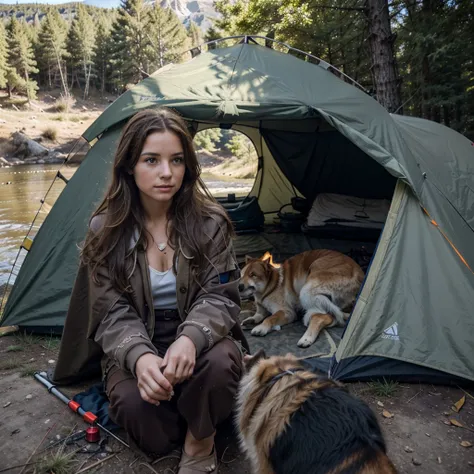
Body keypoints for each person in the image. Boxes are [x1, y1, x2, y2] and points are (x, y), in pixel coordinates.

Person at [60, 108, 249, 474]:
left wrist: (191, 339)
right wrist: (139, 357)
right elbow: (109, 310)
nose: (167, 173)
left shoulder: (210, 222)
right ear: (130, 165)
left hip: (200, 336)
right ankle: (200, 412)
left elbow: (221, 297)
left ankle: (201, 439)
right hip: (136, 336)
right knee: (137, 412)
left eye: (176, 160)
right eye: (152, 160)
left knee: (222, 365)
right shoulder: (106, 229)